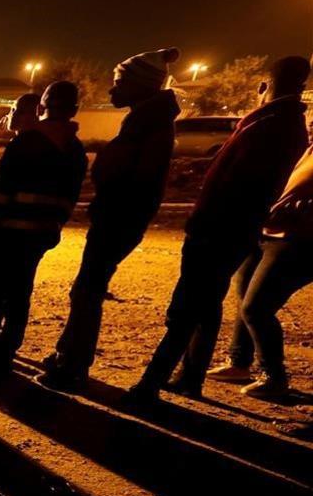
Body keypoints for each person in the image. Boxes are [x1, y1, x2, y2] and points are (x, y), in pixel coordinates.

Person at [128, 56, 309, 403]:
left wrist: (212, 223)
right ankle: (189, 377)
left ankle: (151, 383)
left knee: (186, 307)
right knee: (206, 305)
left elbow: (242, 184)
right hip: (229, 228)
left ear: (263, 86)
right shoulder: (280, 123)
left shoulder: (274, 124)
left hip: (221, 229)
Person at [39, 48, 182, 391]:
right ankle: (67, 353)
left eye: (119, 82)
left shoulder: (147, 125)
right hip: (118, 214)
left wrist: (106, 175)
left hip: (119, 216)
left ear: (140, 84)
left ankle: (72, 364)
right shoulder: (146, 121)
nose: (111, 90)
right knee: (87, 288)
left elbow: (127, 174)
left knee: (87, 290)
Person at [0, 82, 88, 372]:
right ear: (74, 110)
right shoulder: (75, 150)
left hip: (2, 233)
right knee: (19, 293)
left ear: (42, 108)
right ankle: (4, 352)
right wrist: (52, 226)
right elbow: (70, 197)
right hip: (38, 236)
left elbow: (1, 192)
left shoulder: (27, 142)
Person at [208, 144, 313, 399]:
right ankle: (239, 362)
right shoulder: (310, 149)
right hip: (271, 231)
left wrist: (300, 207)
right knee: (245, 296)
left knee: (256, 307)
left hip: (300, 239)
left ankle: (273, 376)